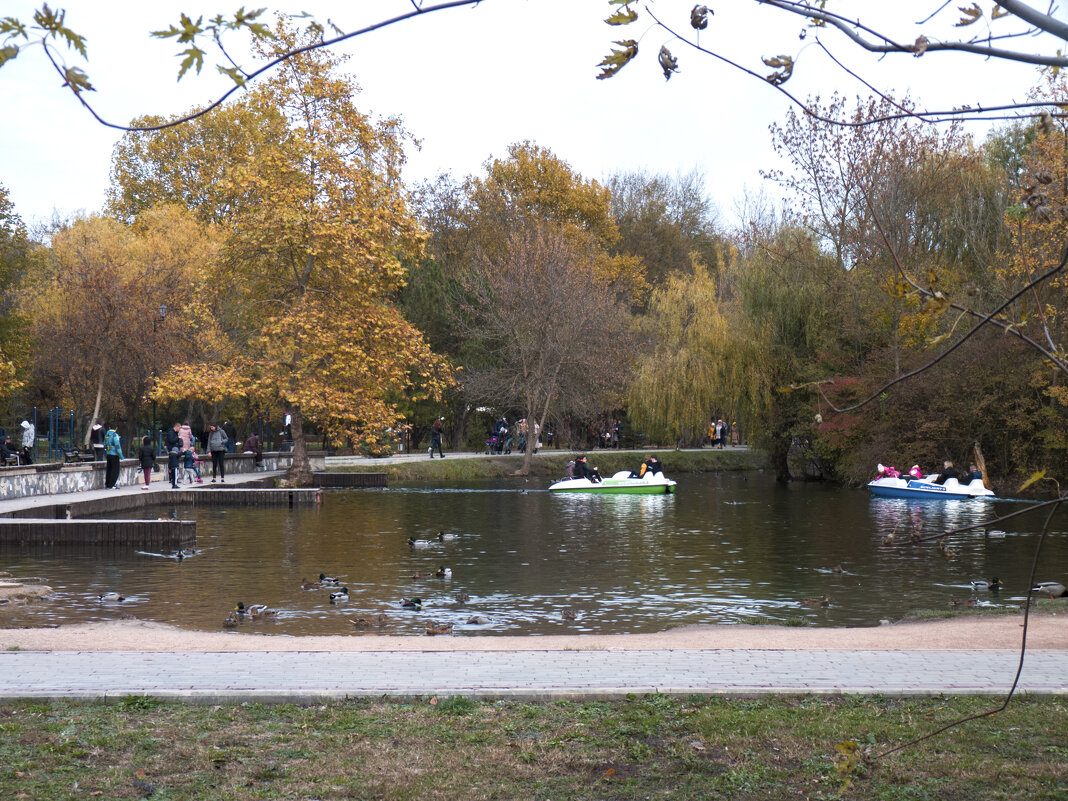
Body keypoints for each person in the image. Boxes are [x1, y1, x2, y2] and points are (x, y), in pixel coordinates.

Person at [103, 423, 123, 489]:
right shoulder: (115, 435)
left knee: (109, 469)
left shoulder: (107, 435)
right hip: (115, 454)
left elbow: (105, 444)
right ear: (116, 428)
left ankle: (107, 484)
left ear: (109, 428)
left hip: (108, 454)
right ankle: (112, 485)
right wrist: (121, 455)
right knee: (115, 470)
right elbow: (117, 445)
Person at [165, 421, 182, 489]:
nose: (180, 429)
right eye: (179, 428)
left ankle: (173, 481)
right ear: (176, 427)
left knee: (173, 467)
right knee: (174, 467)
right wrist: (178, 438)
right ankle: (174, 483)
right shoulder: (171, 433)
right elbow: (171, 440)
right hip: (172, 451)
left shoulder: (175, 433)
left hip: (175, 451)